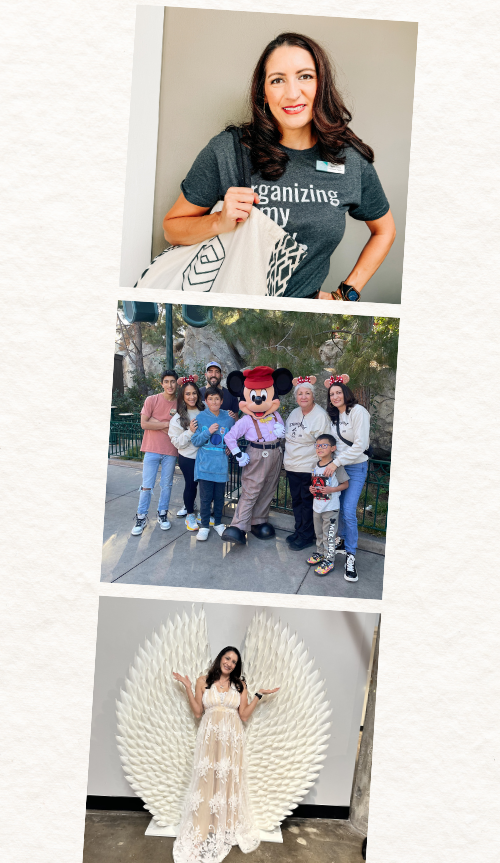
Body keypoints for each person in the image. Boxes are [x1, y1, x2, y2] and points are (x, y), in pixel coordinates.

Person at [163, 32, 396, 301]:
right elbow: (172, 229)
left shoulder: (349, 160)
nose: (292, 93)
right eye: (277, 80)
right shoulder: (229, 150)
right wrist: (219, 221)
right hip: (230, 316)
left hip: (301, 327)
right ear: (263, 92)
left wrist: (345, 295)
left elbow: (385, 230)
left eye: (305, 76)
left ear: (322, 84)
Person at [172, 647, 279, 863]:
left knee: (227, 781)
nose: (229, 663)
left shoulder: (239, 685)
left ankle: (223, 825)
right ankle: (201, 829)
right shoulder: (204, 681)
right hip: (209, 737)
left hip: (232, 739)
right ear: (221, 658)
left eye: (234, 661)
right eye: (227, 658)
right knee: (205, 781)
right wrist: (188, 688)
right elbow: (198, 713)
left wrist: (258, 694)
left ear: (236, 666)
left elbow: (244, 715)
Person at [222, 366, 292, 545]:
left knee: (268, 489)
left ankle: (258, 521)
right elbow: (230, 437)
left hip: (276, 453)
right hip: (256, 454)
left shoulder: (276, 415)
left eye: (264, 396)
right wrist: (238, 454)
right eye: (255, 397)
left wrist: (281, 432)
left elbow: (281, 433)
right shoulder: (246, 420)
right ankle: (238, 526)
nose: (260, 401)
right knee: (251, 490)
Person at [323, 374, 371, 583]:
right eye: (331, 394)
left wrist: (335, 463)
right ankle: (341, 541)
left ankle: (351, 555)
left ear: (346, 393)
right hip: (339, 467)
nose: (335, 396)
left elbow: (361, 445)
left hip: (355, 467)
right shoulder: (334, 417)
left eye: (338, 392)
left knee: (350, 510)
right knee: (339, 506)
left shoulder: (358, 412)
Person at [283, 376, 332, 551]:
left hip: (308, 466)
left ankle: (307, 535)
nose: (303, 396)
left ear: (313, 396)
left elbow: (324, 443)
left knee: (307, 502)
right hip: (291, 464)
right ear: (296, 397)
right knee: (296, 501)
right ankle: (299, 530)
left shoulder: (320, 416)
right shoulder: (294, 413)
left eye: (307, 393)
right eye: (300, 393)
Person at [130, 369, 178, 536]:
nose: (170, 385)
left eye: (173, 381)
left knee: (166, 485)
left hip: (170, 450)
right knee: (146, 486)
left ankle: (162, 514)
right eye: (166, 382)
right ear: (161, 383)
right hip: (151, 449)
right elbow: (144, 424)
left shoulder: (179, 404)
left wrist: (155, 422)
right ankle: (141, 517)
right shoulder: (152, 400)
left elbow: (180, 427)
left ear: (176, 383)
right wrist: (166, 425)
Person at [190, 386, 235, 541]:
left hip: (221, 466)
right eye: (211, 399)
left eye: (217, 399)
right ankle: (203, 526)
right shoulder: (200, 418)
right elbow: (195, 441)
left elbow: (234, 437)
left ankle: (217, 523)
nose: (214, 401)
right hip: (204, 466)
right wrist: (208, 431)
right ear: (206, 401)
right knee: (205, 498)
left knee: (219, 497)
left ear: (222, 401)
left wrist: (230, 447)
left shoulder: (228, 418)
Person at [307, 433, 349, 576]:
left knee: (329, 535)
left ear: (333, 448)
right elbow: (313, 483)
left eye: (324, 445)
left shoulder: (336, 466)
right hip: (317, 507)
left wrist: (332, 489)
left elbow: (345, 484)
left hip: (330, 508)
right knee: (318, 533)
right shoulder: (314, 465)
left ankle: (329, 560)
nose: (320, 448)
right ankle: (320, 553)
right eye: (317, 446)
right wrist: (311, 489)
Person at [168, 376, 204, 531]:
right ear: (183, 396)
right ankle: (190, 515)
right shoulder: (177, 418)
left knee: (206, 486)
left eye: (194, 393)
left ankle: (205, 512)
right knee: (191, 486)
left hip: (205, 457)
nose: (192, 397)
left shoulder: (205, 411)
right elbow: (177, 443)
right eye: (188, 394)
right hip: (188, 458)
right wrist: (190, 431)